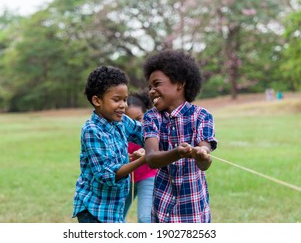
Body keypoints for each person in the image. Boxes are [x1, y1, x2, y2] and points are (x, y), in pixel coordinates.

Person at [142, 50, 218, 223]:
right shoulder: (151, 118)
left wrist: (202, 154)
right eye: (149, 87)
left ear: (179, 84)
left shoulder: (202, 116)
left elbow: (204, 158)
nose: (152, 91)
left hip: (192, 208)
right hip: (161, 207)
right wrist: (177, 152)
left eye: (157, 84)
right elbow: (152, 158)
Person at [72, 66, 147, 223]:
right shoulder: (91, 130)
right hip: (94, 210)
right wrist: (142, 160)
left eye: (125, 99)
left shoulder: (121, 121)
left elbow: (144, 133)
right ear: (97, 100)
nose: (123, 105)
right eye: (116, 99)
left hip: (113, 210)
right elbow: (107, 175)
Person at [123, 91, 157, 223]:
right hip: (125, 180)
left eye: (138, 118)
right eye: (128, 120)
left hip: (147, 177)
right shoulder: (117, 132)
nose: (134, 125)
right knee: (115, 218)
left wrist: (145, 150)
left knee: (145, 219)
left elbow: (156, 148)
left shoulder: (150, 130)